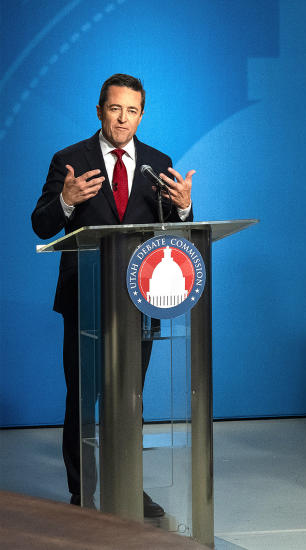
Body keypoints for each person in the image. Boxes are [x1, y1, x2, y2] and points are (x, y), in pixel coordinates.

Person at [31, 74, 195, 516]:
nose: (123, 119)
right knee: (82, 400)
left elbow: (177, 235)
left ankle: (130, 487)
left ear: (142, 115)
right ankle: (82, 494)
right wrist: (65, 201)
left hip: (139, 302)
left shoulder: (156, 163)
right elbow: (42, 225)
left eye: (133, 111)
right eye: (116, 108)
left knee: (130, 400)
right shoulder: (69, 160)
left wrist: (183, 207)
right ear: (100, 110)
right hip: (83, 298)